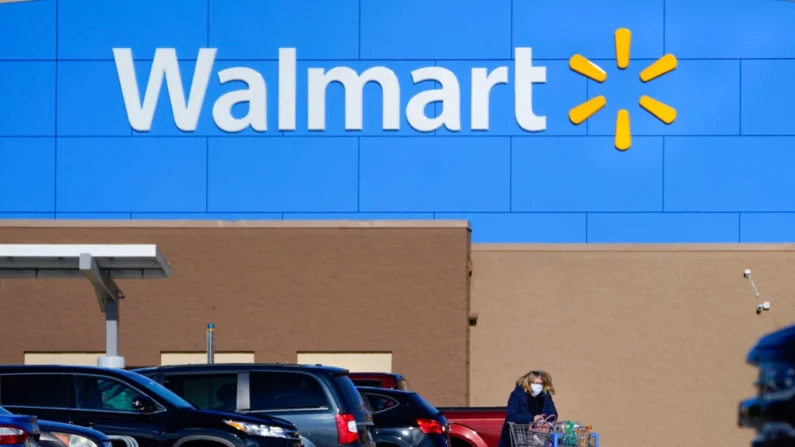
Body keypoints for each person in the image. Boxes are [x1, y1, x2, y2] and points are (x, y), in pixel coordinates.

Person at [497, 370, 559, 447]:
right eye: (535, 383)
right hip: (517, 438)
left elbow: (552, 412)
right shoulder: (517, 395)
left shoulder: (545, 395)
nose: (538, 386)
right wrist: (532, 418)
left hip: (538, 437)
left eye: (540, 383)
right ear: (528, 383)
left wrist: (543, 419)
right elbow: (511, 416)